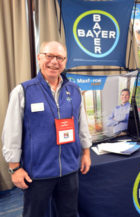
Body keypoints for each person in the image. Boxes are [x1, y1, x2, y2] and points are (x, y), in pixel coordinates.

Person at [2, 41, 92, 217]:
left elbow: (82, 124)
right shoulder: (23, 91)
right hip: (37, 173)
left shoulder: (74, 90)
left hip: (69, 170)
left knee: (69, 213)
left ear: (65, 62)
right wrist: (14, 168)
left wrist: (86, 153)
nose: (54, 62)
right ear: (39, 57)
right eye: (49, 56)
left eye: (60, 57)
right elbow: (11, 133)